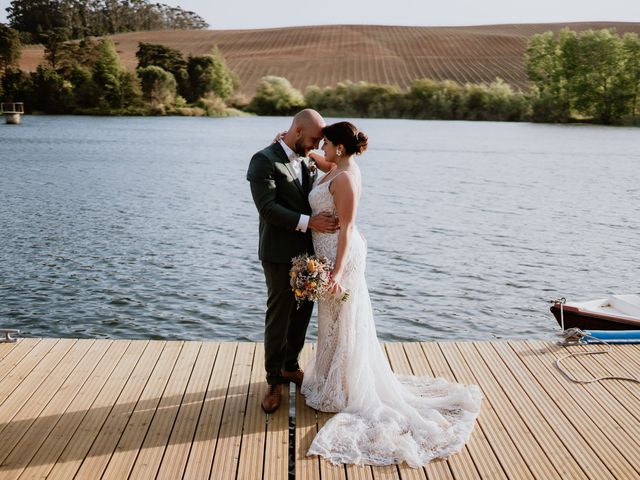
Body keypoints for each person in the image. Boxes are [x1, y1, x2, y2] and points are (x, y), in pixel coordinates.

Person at [300, 121, 483, 467]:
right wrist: (301, 148)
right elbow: (322, 165)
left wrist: (337, 272)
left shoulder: (347, 179)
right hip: (325, 253)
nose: (321, 149)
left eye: (325, 144)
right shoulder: (336, 167)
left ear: (339, 148)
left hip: (341, 257)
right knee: (331, 320)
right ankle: (332, 380)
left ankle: (341, 388)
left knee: (342, 318)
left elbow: (348, 228)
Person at [246, 109, 339, 414]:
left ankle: (290, 366)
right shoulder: (263, 160)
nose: (316, 145)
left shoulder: (308, 158)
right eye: (314, 139)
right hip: (278, 253)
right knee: (279, 315)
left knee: (302, 312)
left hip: (310, 254)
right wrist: (310, 222)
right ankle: (273, 379)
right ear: (298, 131)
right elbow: (268, 209)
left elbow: (339, 164)